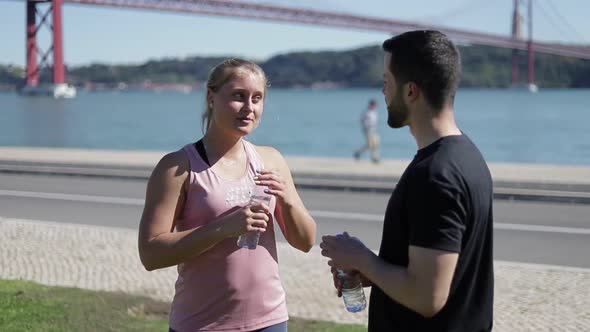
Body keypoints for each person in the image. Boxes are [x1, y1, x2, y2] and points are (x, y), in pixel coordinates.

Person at [320, 30, 494, 331]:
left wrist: (361, 258)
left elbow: (427, 297)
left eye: (387, 81)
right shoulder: (467, 155)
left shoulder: (436, 175)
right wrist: (375, 274)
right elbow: (440, 275)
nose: (384, 91)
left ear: (410, 91)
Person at [138, 58, 317, 332]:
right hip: (201, 324)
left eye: (257, 99)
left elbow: (305, 242)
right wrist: (222, 228)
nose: (249, 108)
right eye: (238, 96)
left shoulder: (271, 160)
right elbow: (151, 254)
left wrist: (289, 201)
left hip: (270, 321)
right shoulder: (178, 167)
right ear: (211, 97)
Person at [353, 99, 380, 163]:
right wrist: (366, 127)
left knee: (376, 144)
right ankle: (359, 153)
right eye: (374, 105)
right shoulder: (366, 112)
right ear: (371, 105)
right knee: (370, 144)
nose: (375, 107)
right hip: (368, 130)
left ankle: (374, 157)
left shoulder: (374, 112)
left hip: (374, 129)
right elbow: (362, 121)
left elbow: (375, 122)